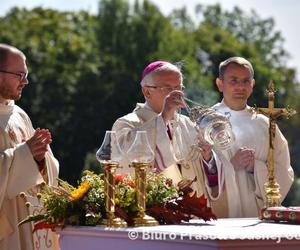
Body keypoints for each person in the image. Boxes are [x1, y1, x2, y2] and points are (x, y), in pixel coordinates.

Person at [112, 61, 225, 210]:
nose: (176, 94)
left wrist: (208, 158)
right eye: (168, 88)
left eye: (179, 88)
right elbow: (126, 162)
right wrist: (164, 116)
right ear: (147, 92)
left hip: (194, 213)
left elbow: (207, 174)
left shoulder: (189, 124)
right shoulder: (127, 124)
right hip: (153, 214)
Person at [212, 56, 294, 217]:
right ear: (220, 84)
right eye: (233, 81)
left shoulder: (265, 124)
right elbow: (196, 169)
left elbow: (284, 170)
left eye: (245, 81)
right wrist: (230, 166)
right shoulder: (208, 121)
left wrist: (256, 168)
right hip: (221, 212)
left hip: (257, 213)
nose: (240, 87)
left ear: (252, 85)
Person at [0, 44, 59, 250]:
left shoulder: (19, 114)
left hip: (31, 221)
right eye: (19, 74)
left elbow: (49, 169)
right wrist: (24, 154)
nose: (25, 81)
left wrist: (40, 158)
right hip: (7, 228)